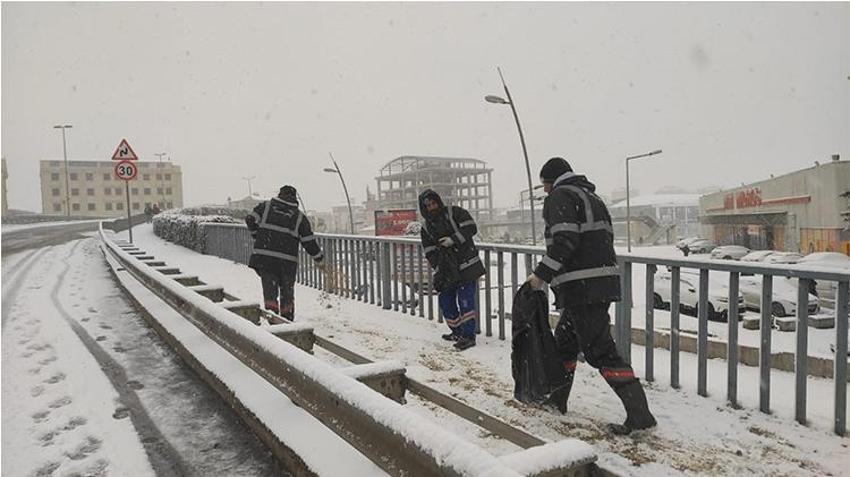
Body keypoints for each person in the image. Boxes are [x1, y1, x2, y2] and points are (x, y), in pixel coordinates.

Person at [525, 157, 656, 435]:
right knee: (565, 344)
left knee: (601, 352)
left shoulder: (561, 196)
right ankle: (557, 399)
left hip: (582, 286)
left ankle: (640, 415)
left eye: (545, 185)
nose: (545, 191)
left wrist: (540, 275)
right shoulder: (591, 196)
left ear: (552, 181)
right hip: (596, 284)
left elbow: (565, 242)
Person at [419, 189, 485, 351]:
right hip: (447, 271)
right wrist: (440, 266)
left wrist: (452, 240)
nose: (432, 207)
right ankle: (457, 331)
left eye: (434, 203)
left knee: (466, 301)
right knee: (446, 302)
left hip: (467, 265)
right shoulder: (426, 227)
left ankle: (468, 336)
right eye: (428, 205)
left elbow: (471, 228)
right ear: (423, 208)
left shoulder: (455, 213)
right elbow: (429, 251)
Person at [245, 185, 325, 320]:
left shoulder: (265, 208)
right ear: (294, 198)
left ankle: (272, 319)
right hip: (286, 263)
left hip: (265, 259)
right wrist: (319, 259)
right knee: (287, 292)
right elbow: (309, 242)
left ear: (280, 195)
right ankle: (287, 319)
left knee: (270, 291)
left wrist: (256, 235)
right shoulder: (299, 217)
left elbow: (250, 219)